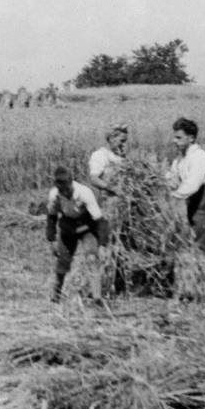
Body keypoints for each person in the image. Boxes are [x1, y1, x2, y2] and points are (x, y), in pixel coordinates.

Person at [46, 166, 110, 304]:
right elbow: (51, 218)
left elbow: (100, 221)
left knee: (92, 258)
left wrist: (102, 244)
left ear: (71, 182)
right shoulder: (54, 195)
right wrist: (52, 240)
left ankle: (97, 297)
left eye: (67, 189)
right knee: (63, 262)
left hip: (86, 227)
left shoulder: (84, 193)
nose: (65, 192)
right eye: (62, 190)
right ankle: (56, 295)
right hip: (68, 229)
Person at [168, 117, 205, 252]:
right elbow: (171, 175)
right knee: (192, 235)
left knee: (200, 239)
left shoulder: (198, 156)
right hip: (193, 199)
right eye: (174, 137)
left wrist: (174, 196)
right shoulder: (180, 159)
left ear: (191, 138)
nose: (174, 141)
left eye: (179, 138)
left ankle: (198, 268)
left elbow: (192, 184)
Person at [88, 123, 128, 294]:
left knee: (121, 244)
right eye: (121, 140)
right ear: (111, 138)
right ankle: (102, 285)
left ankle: (119, 283)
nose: (123, 145)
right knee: (107, 244)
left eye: (125, 141)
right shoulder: (100, 155)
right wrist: (112, 188)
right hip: (106, 205)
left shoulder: (121, 156)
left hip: (121, 206)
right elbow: (94, 179)